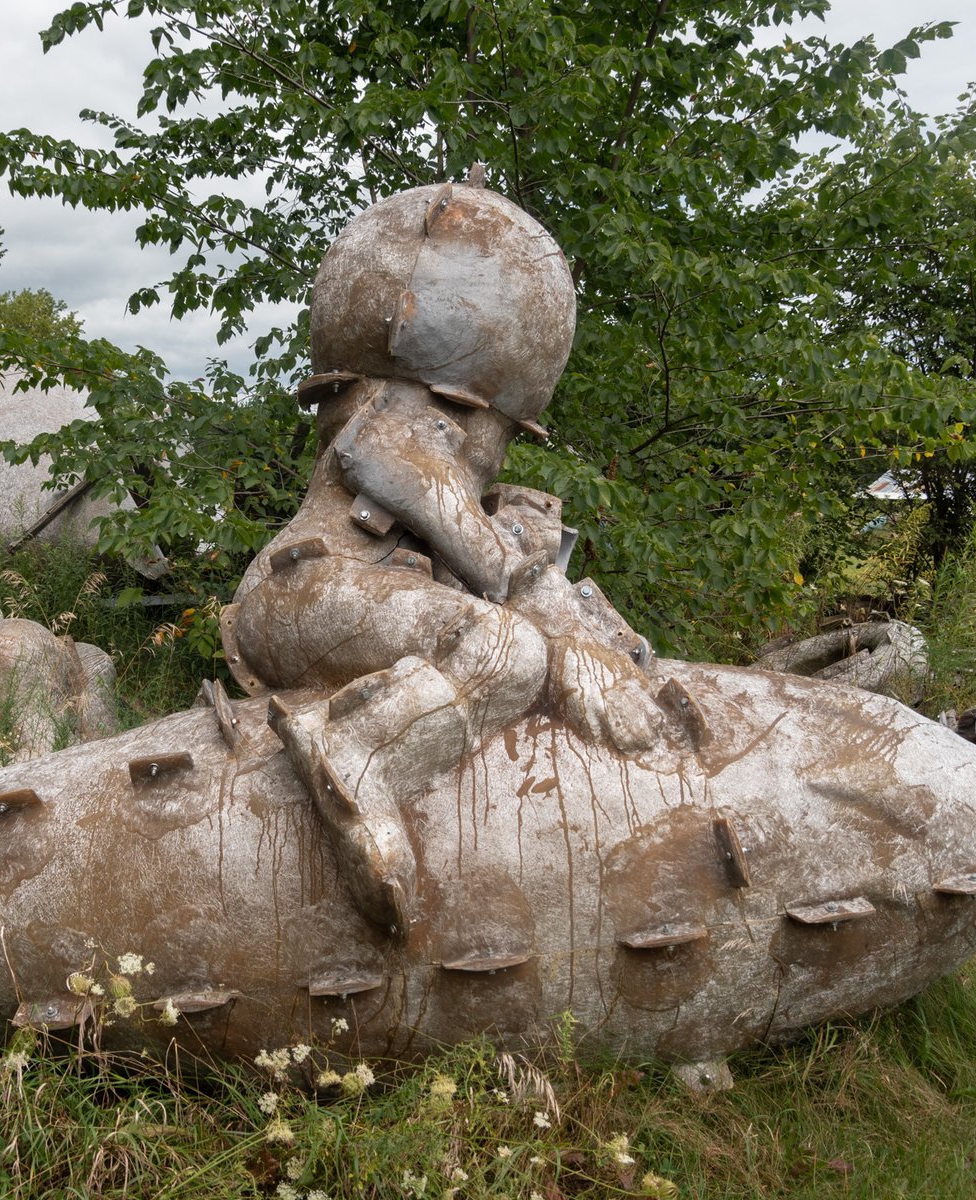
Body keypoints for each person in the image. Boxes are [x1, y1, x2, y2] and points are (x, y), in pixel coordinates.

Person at [222, 179, 658, 933]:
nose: (494, 450)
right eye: (499, 429)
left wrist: (601, 642)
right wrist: (531, 574)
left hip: (336, 599)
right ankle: (356, 753)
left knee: (511, 641)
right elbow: (459, 535)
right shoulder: (395, 427)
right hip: (305, 590)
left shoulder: (424, 437)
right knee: (503, 648)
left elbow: (483, 558)